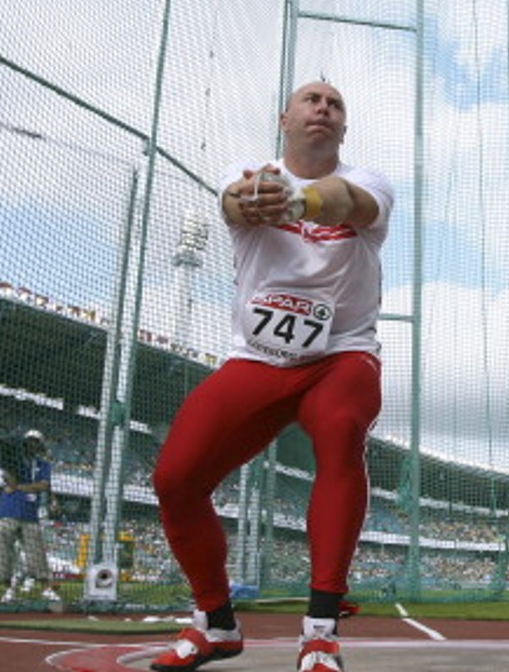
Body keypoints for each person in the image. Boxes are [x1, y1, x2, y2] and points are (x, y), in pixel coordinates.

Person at [150, 80, 394, 672]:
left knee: (340, 431)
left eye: (336, 104)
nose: (324, 109)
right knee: (175, 479)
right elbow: (234, 202)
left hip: (340, 354)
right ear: (283, 118)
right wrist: (251, 198)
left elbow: (346, 203)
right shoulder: (247, 173)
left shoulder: (372, 184)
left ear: (344, 127)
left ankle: (319, 632)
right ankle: (215, 621)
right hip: (257, 359)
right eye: (312, 100)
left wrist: (299, 203)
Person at [0, 429, 60, 602]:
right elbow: (8, 479)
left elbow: (43, 485)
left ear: (40, 445)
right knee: (4, 550)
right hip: (9, 510)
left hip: (30, 512)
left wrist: (18, 487)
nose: (32, 444)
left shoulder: (43, 465)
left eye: (36, 442)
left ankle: (46, 587)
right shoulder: (15, 460)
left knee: (36, 552)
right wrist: (22, 485)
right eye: (30, 441)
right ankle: (8, 589)